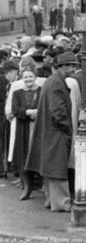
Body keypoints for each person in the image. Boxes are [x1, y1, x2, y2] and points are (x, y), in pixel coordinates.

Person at [25, 52, 78, 212]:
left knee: (49, 168)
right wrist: (68, 128)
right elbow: (58, 111)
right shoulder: (57, 83)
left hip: (49, 131)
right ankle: (61, 202)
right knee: (57, 168)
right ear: (62, 67)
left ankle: (50, 200)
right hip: (56, 132)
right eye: (70, 65)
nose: (73, 68)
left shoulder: (52, 81)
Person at [12, 69, 40, 201]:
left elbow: (45, 107)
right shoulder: (17, 93)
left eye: (30, 76)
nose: (28, 79)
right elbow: (15, 110)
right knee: (23, 157)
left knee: (39, 156)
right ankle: (27, 188)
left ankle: (44, 188)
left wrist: (38, 113)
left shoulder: (41, 91)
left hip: (38, 129)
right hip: (23, 129)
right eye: (26, 77)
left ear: (35, 77)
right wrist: (29, 112)